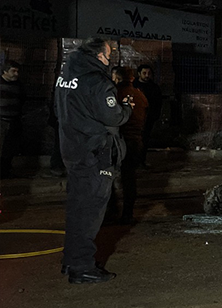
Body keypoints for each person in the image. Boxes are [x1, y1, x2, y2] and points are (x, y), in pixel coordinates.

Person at [55, 37, 132, 284]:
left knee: (77, 209)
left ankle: (71, 260)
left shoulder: (66, 75)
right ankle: (82, 267)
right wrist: (126, 108)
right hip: (94, 154)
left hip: (72, 149)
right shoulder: (97, 81)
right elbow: (113, 117)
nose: (110, 59)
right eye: (108, 55)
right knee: (90, 213)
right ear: (100, 56)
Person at [111, 66, 148, 224]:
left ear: (117, 78)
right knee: (129, 178)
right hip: (135, 140)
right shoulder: (140, 95)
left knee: (108, 177)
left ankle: (112, 212)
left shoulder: (115, 94)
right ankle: (128, 213)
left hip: (119, 141)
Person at [132, 64, 162, 166]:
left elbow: (158, 103)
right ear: (139, 73)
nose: (147, 75)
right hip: (134, 118)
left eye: (149, 73)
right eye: (144, 73)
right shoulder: (133, 86)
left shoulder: (154, 88)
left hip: (148, 118)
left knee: (145, 139)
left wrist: (154, 116)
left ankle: (142, 161)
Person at [0, 60, 24, 179]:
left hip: (14, 120)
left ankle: (6, 171)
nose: (16, 74)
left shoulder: (18, 85)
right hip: (1, 121)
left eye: (17, 71)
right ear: (5, 71)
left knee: (9, 149)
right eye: (13, 71)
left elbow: (22, 100)